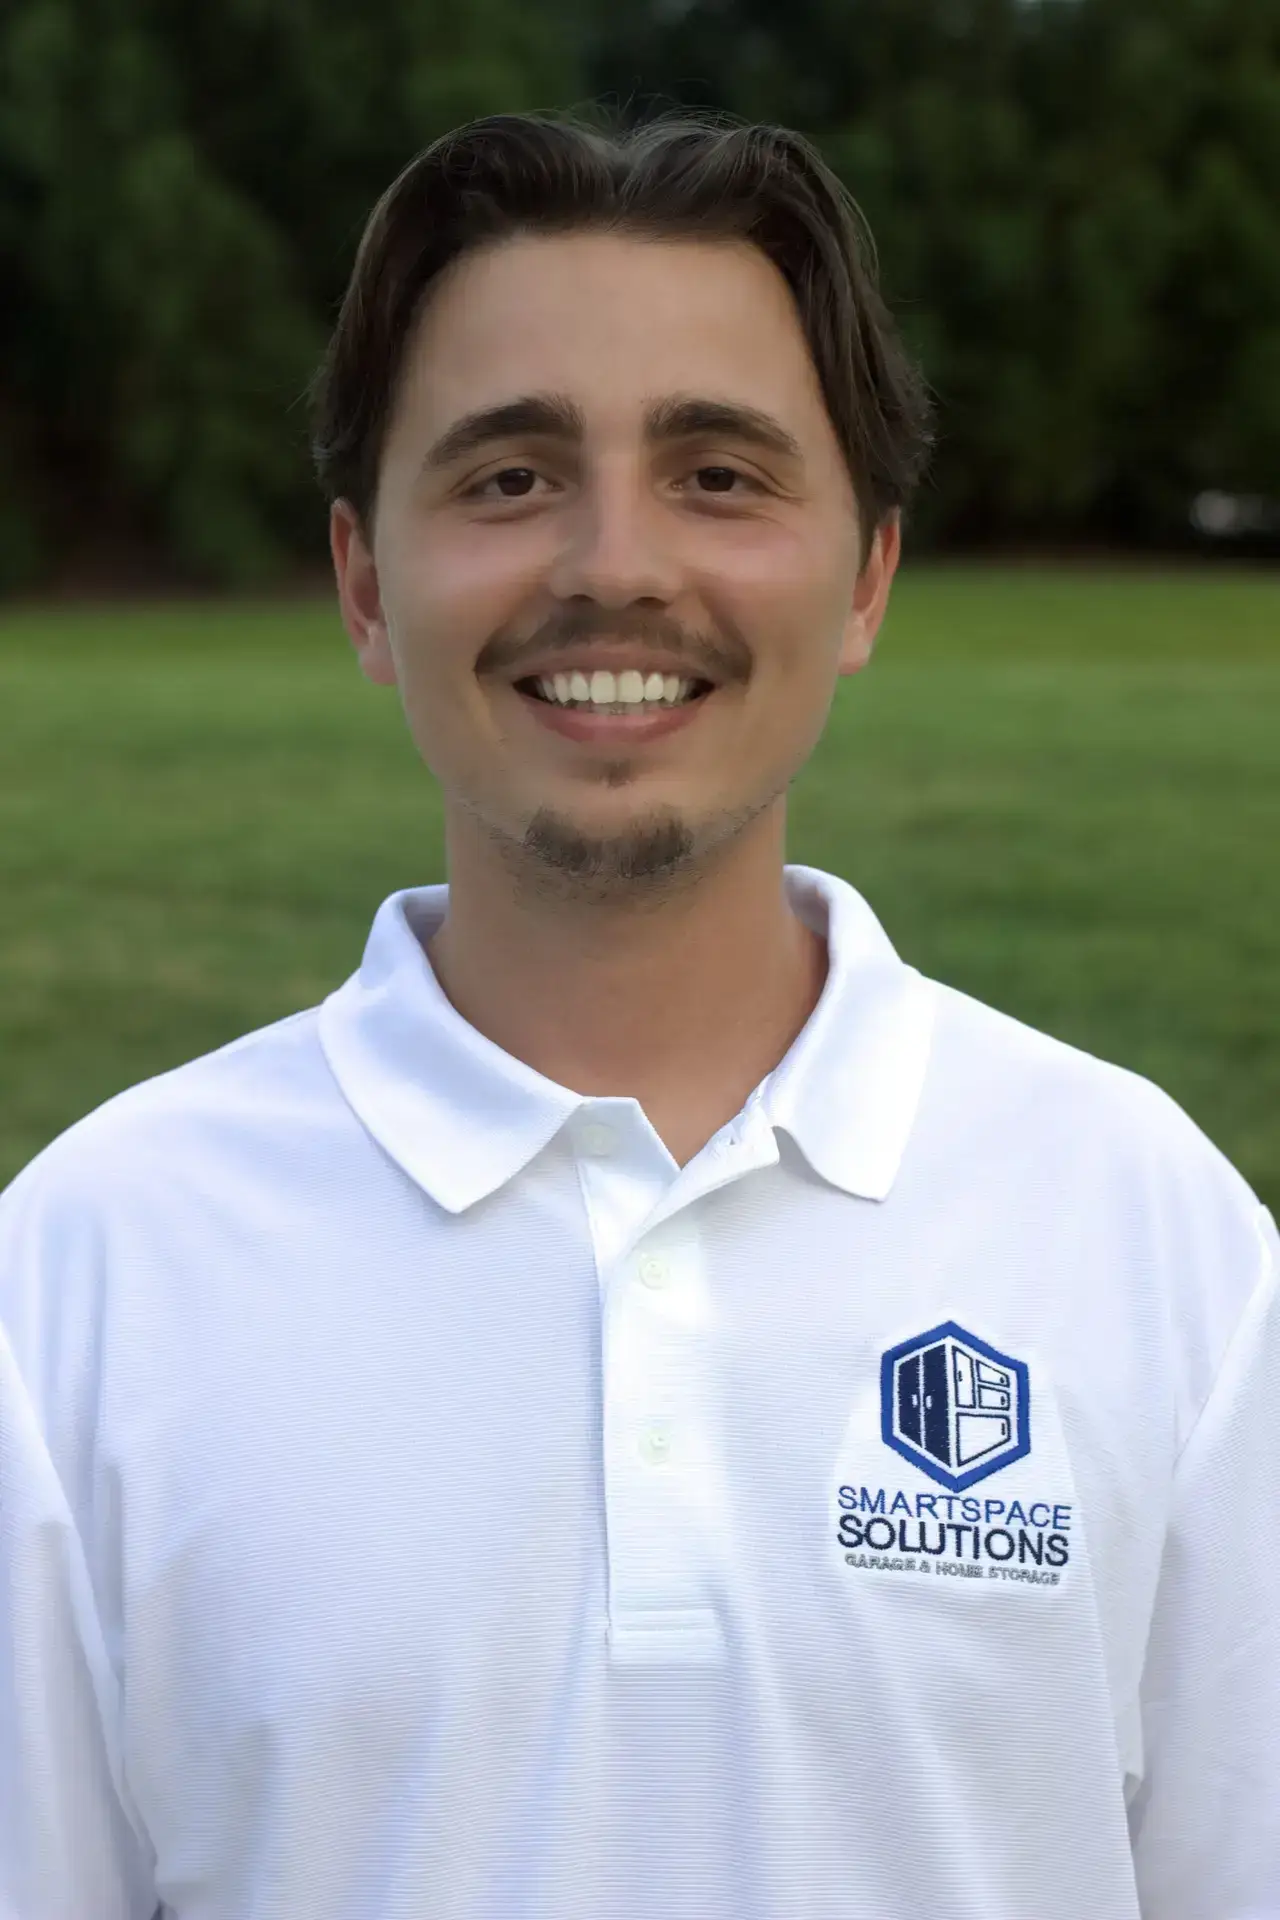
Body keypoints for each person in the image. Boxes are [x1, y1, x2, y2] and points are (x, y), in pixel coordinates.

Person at [0, 108, 1275, 1920]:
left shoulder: (1156, 1239)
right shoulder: (84, 1275)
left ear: (868, 579)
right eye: (511, 476)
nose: (615, 564)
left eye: (722, 475)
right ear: (367, 585)